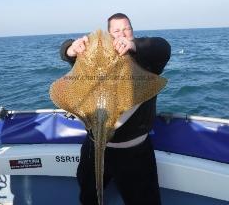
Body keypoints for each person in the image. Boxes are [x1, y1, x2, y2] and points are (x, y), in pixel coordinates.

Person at [60, 13, 171, 205]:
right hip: (93, 147)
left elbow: (162, 47)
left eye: (126, 29)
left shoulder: (145, 60)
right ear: (110, 35)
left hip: (134, 153)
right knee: (89, 198)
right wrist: (71, 49)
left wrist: (134, 46)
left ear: (133, 32)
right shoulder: (92, 60)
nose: (122, 34)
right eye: (116, 31)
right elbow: (65, 50)